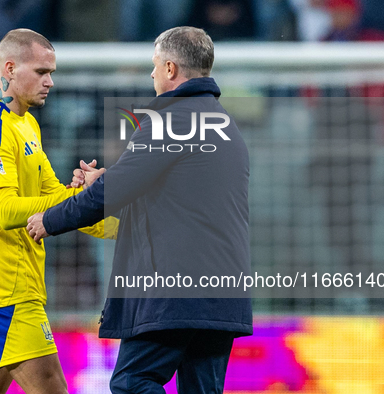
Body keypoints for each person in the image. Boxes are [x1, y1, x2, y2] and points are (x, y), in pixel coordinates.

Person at [27, 26, 252, 393]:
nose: (150, 74)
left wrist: (50, 220)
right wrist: (106, 179)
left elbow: (112, 194)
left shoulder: (170, 121)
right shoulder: (225, 126)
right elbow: (174, 196)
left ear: (169, 68)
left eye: (153, 65)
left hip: (175, 292)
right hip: (223, 295)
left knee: (133, 382)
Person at [0, 28, 103, 394]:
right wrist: (82, 199)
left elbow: (56, 197)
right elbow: (5, 211)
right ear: (9, 68)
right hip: (5, 292)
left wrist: (105, 207)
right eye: (41, 72)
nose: (50, 82)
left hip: (14, 289)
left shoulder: (26, 124)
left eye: (51, 72)